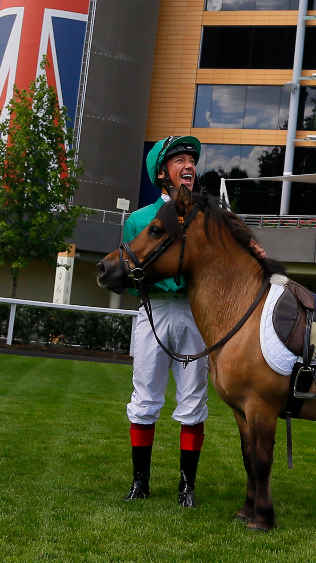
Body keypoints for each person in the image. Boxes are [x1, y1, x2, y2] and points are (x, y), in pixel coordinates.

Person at [122, 136, 208, 508]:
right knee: (144, 398)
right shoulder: (138, 221)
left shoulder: (205, 217)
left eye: (191, 160)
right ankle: (140, 483)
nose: (188, 165)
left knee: (193, 399)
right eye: (179, 161)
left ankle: (187, 488)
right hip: (153, 311)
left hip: (193, 314)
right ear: (161, 172)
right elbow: (128, 276)